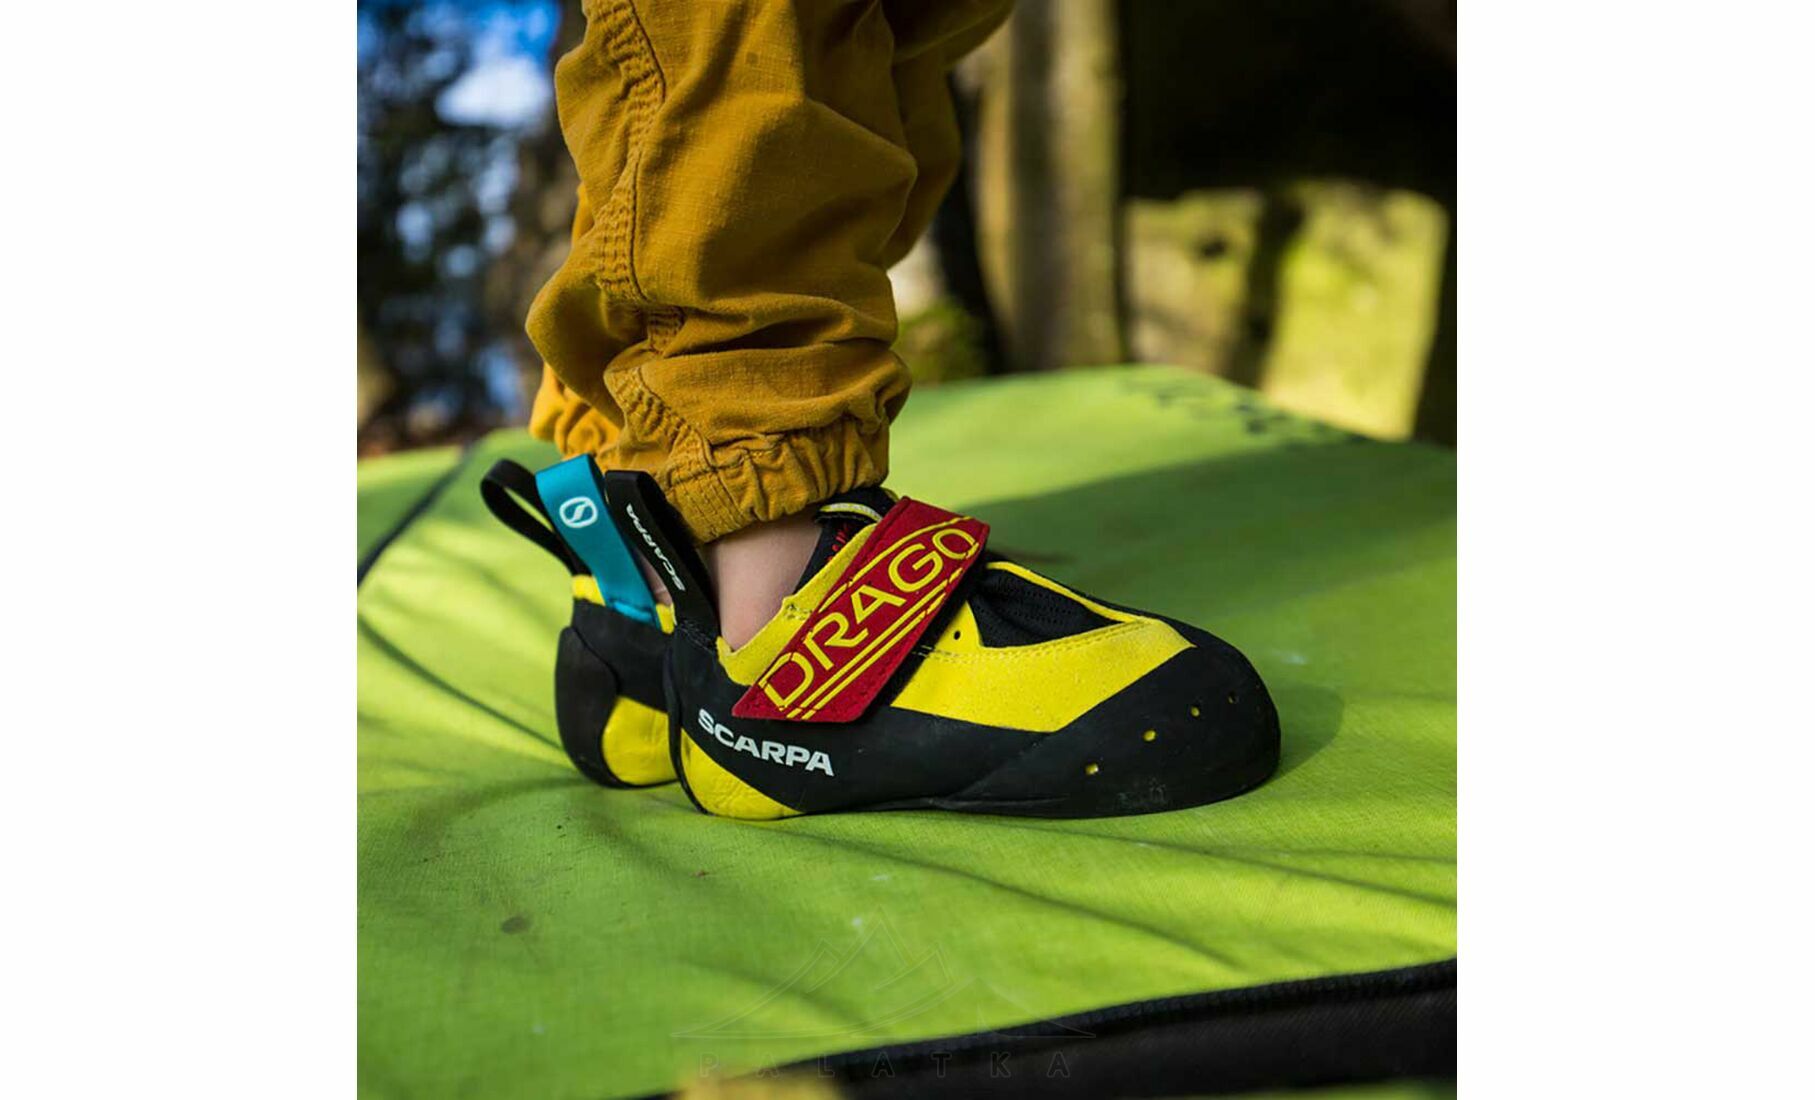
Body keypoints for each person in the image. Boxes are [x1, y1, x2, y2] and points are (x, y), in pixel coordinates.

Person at [484, 0, 1280, 820]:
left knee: (873, 43)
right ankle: (769, 597)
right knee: (747, 28)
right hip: (774, 582)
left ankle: (659, 587)